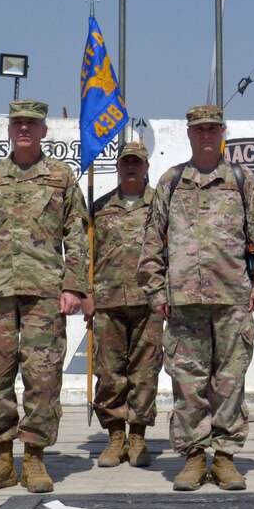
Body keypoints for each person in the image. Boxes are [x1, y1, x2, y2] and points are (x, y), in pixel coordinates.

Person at [138, 104, 254, 491]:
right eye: (198, 129)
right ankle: (195, 457)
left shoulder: (241, 179)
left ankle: (226, 458)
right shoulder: (171, 181)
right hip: (183, 301)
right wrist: (154, 289)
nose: (205, 135)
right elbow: (152, 242)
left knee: (230, 383)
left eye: (212, 129)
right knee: (188, 383)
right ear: (188, 133)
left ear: (222, 133)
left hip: (232, 298)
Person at [0, 100, 88, 495]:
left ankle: (34, 459)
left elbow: (77, 237)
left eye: (31, 123)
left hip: (44, 295)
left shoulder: (61, 178)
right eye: (17, 123)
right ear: (10, 130)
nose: (24, 129)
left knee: (42, 378)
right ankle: (0, 461)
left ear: (45, 130)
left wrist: (73, 287)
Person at [83, 140, 162, 469]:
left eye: (137, 162)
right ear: (117, 166)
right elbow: (85, 254)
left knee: (145, 373)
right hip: (108, 301)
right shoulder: (99, 208)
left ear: (146, 167)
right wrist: (85, 292)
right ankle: (115, 437)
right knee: (109, 373)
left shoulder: (162, 205)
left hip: (150, 302)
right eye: (126, 162)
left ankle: (138, 437)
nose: (131, 167)